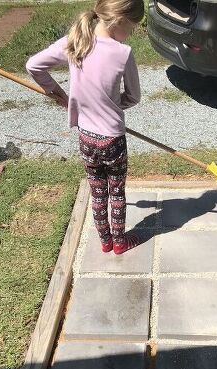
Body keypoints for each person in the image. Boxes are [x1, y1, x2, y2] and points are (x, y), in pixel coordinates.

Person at [26, 0, 144, 254]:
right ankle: (120, 242)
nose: (130, 34)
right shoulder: (122, 53)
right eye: (132, 28)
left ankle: (104, 241)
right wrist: (113, 104)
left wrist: (58, 94)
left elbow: (34, 65)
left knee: (98, 191)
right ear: (120, 20)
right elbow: (134, 97)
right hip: (112, 139)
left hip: (86, 137)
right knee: (117, 192)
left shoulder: (76, 40)